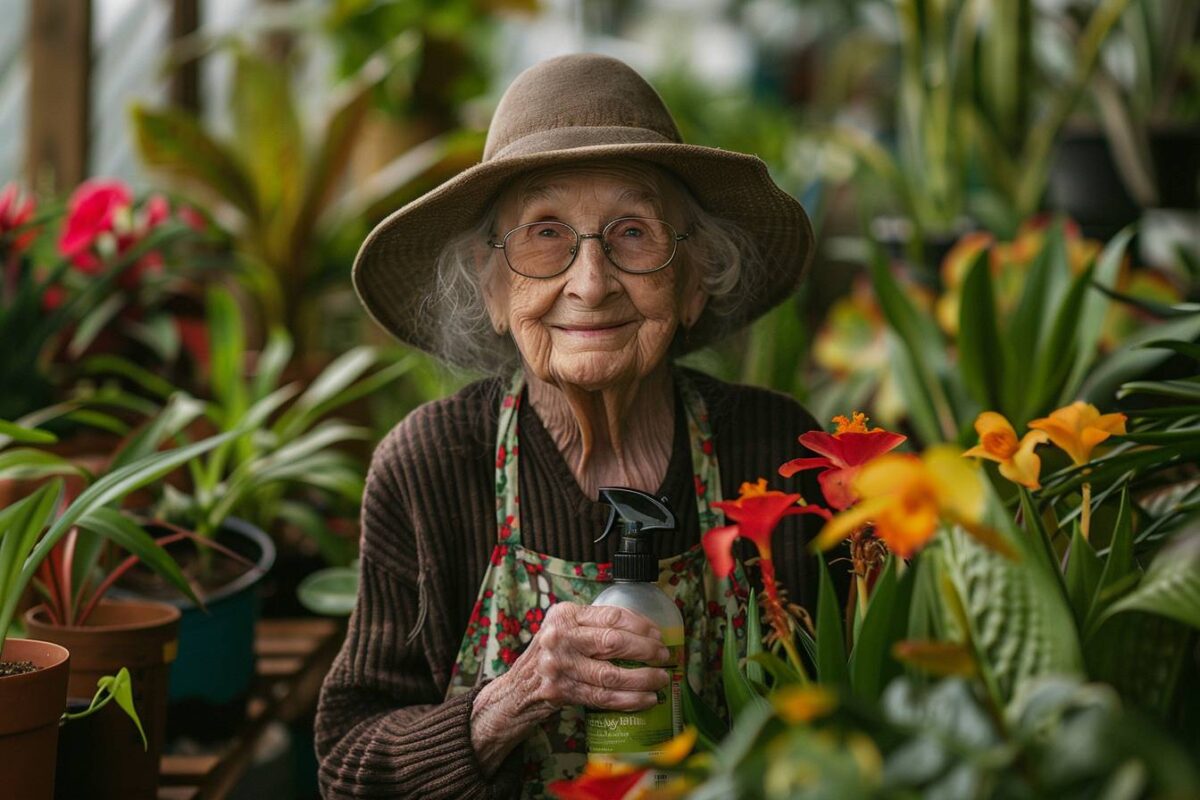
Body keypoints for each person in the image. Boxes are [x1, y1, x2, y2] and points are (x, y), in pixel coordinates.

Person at [315, 53, 824, 799]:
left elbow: (859, 717)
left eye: (634, 233)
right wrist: (509, 700)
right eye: (545, 233)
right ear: (493, 291)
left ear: (693, 282)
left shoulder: (775, 452)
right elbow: (346, 766)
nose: (589, 283)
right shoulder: (432, 467)